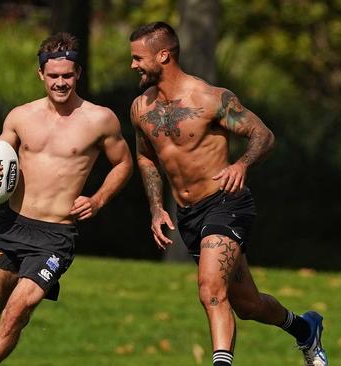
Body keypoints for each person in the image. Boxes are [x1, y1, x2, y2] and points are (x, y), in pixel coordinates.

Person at [128, 22, 328, 366]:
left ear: (163, 55)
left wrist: (242, 165)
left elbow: (263, 135)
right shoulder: (140, 109)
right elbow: (145, 155)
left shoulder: (210, 99)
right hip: (188, 215)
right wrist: (156, 207)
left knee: (210, 291)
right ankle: (305, 329)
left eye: (137, 57)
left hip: (226, 204)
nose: (132, 65)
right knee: (248, 304)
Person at [0, 32, 132, 365]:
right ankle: (23, 288)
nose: (60, 83)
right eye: (53, 76)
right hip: (11, 225)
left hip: (55, 236)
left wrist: (98, 200)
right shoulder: (20, 117)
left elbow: (123, 163)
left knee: (15, 313)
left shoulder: (100, 119)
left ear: (78, 74)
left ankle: (26, 296)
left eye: (67, 75)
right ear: (41, 74)